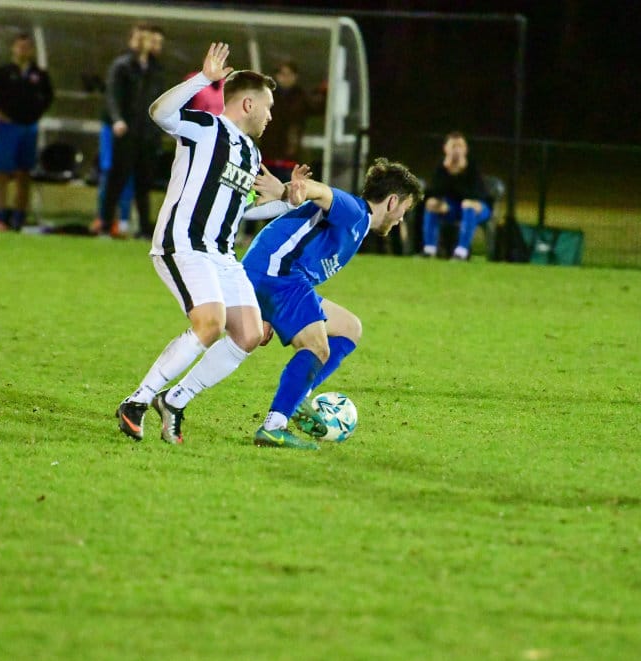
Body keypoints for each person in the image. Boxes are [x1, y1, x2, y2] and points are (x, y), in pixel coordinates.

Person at [116, 42, 281, 445]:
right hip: (184, 243)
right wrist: (204, 80)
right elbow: (159, 113)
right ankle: (137, 401)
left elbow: (240, 209)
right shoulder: (206, 128)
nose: (270, 116)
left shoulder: (251, 153)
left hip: (222, 255)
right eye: (267, 107)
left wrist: (284, 202)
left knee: (250, 334)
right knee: (210, 324)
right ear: (247, 104)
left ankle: (174, 400)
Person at [242, 158, 423, 450]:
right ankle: (274, 426)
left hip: (279, 274)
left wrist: (268, 312)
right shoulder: (355, 211)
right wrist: (292, 191)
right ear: (392, 202)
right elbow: (321, 192)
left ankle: (299, 397)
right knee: (317, 347)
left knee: (349, 328)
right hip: (277, 273)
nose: (402, 218)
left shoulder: (358, 225)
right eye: (406, 208)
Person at [94, 23, 166, 239]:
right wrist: (117, 120)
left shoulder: (155, 69)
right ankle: (106, 223)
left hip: (147, 133)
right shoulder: (122, 66)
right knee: (117, 179)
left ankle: (144, 228)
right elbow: (112, 96)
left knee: (144, 183)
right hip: (127, 132)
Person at [0, 32, 53, 232]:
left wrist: (36, 113)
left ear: (32, 50)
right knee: (3, 173)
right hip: (8, 127)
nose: (23, 51)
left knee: (24, 173)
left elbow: (48, 96)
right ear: (13, 48)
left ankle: (19, 217)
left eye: (27, 47)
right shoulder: (2, 72)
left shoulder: (38, 74)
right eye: (20, 47)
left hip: (29, 127)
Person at [421, 131, 493, 260]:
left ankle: (461, 252)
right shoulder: (442, 167)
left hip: (478, 207)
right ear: (445, 149)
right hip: (453, 208)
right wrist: (441, 202)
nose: (457, 150)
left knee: (467, 204)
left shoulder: (471, 165)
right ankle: (429, 250)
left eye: (460, 146)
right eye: (453, 146)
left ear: (466, 149)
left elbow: (475, 194)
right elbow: (434, 192)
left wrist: (460, 172)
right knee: (432, 204)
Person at [258, 60, 324, 184]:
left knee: (287, 189)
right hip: (267, 155)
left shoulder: (301, 96)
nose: (286, 78)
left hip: (290, 156)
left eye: (289, 74)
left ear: (295, 76)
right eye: (282, 74)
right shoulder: (268, 95)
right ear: (276, 76)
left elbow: (318, 107)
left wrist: (323, 91)